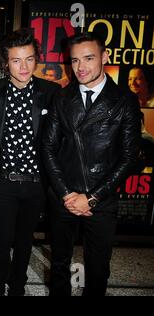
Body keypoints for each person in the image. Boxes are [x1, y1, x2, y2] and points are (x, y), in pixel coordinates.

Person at [42, 32, 141, 296]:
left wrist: (93, 198)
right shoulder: (62, 98)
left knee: (98, 268)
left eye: (88, 58)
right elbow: (48, 148)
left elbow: (129, 157)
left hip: (102, 198)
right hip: (64, 196)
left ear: (104, 57)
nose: (81, 67)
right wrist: (66, 194)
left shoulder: (124, 100)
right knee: (60, 264)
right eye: (75, 61)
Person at [0, 28, 60, 296]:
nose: (24, 66)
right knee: (1, 242)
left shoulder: (51, 92)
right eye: (16, 60)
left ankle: (17, 288)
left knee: (26, 242)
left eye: (29, 59)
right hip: (3, 182)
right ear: (5, 63)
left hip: (36, 184)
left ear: (36, 59)